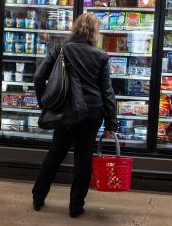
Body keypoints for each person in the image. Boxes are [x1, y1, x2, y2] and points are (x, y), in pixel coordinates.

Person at [32, 13, 118, 218]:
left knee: (55, 154)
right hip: (91, 113)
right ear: (94, 32)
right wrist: (110, 124)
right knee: (83, 160)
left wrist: (44, 103)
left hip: (64, 111)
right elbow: (107, 92)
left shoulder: (60, 48)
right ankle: (76, 207)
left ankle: (38, 197)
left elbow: (38, 77)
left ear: (75, 27)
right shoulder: (100, 55)